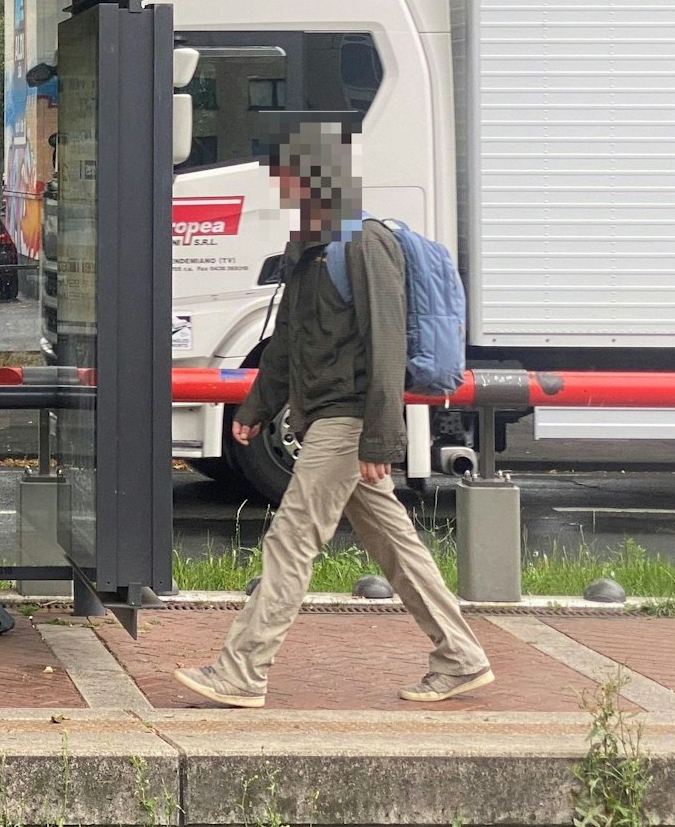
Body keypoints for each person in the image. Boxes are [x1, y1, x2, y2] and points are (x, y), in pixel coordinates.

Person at [174, 124, 493, 708]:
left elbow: (386, 344)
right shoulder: (308, 246)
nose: (284, 189)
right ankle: (461, 657)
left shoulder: (364, 244)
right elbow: (286, 340)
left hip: (348, 419)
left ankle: (242, 670)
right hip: (324, 416)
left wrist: (381, 439)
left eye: (291, 177)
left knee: (292, 537)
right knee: (394, 544)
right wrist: (257, 405)